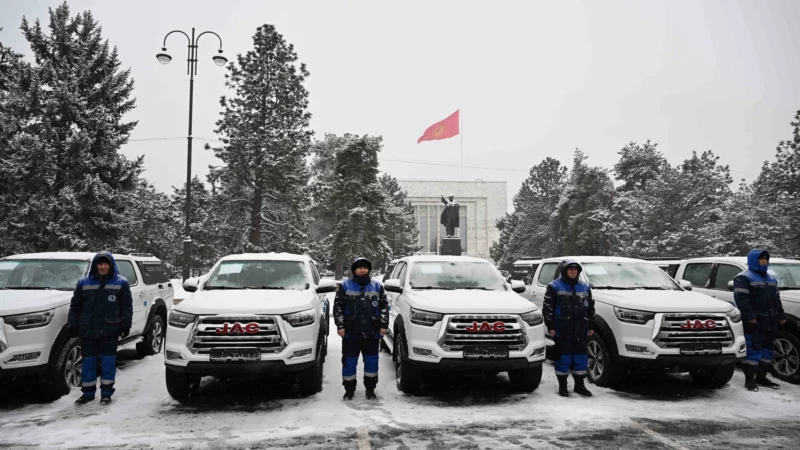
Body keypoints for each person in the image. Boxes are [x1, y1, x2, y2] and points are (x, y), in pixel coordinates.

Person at [67, 251, 133, 406]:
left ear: (111, 265)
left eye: (106, 263)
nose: (103, 267)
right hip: (88, 329)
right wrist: (73, 325)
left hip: (110, 329)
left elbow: (126, 307)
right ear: (95, 265)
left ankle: (106, 393)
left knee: (107, 362)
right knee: (88, 363)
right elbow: (75, 306)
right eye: (100, 263)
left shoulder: (121, 283)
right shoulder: (83, 283)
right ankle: (88, 393)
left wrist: (125, 324)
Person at [333, 257, 389, 400]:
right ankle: (349, 389)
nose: (362, 270)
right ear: (354, 270)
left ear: (369, 270)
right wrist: (340, 326)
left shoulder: (377, 286)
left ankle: (370, 389)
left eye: (365, 267)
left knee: (371, 362)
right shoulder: (345, 286)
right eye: (359, 267)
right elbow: (338, 307)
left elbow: (384, 307)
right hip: (351, 333)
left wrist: (383, 326)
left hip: (372, 333)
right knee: (349, 362)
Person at [734, 249, 786, 391]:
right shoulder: (743, 278)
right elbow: (742, 300)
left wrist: (781, 315)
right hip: (755, 321)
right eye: (761, 258)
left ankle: (762, 377)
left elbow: (777, 299)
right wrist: (750, 317)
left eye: (766, 258)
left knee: (767, 350)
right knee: (753, 350)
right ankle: (750, 380)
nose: (764, 261)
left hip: (771, 321)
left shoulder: (771, 279)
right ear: (753, 260)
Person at [542, 259, 595, 397]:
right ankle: (563, 385)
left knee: (580, 358)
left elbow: (590, 309)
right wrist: (551, 326)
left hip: (581, 329)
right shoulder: (554, 286)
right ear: (564, 271)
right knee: (563, 358)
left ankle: (579, 385)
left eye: (575, 269)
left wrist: (590, 325)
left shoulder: (585, 287)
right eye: (570, 269)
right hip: (562, 328)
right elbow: (548, 309)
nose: (573, 271)